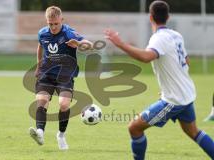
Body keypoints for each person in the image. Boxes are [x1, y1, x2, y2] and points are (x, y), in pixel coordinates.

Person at [104, 1, 214, 159]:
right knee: (193, 132)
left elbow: (146, 57)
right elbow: (186, 61)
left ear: (150, 17)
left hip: (173, 100)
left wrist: (121, 44)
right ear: (168, 17)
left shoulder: (158, 39)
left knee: (134, 128)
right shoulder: (176, 35)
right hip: (186, 94)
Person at [29, 6, 91, 150]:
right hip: (46, 75)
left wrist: (79, 44)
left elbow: (90, 45)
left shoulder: (69, 33)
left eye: (56, 23)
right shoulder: (42, 34)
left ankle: (61, 135)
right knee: (42, 101)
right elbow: (40, 46)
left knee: (64, 104)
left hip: (65, 75)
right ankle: (40, 133)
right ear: (47, 21)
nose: (53, 26)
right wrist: (38, 65)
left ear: (61, 20)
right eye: (50, 24)